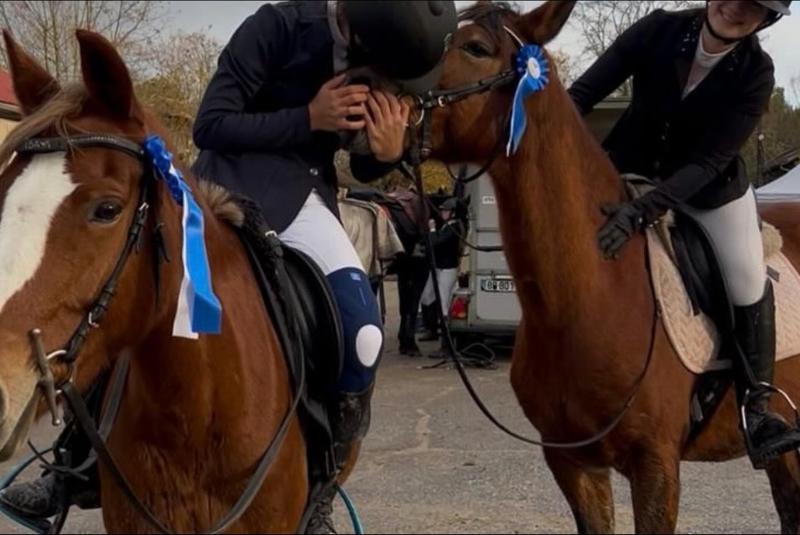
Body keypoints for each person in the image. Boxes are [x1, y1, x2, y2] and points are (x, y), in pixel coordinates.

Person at [0, 0, 457, 529]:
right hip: (221, 191)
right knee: (128, 296)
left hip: (305, 200)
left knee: (364, 334)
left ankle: (321, 487)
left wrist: (387, 150)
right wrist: (307, 117)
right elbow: (212, 124)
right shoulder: (276, 26)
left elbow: (360, 161)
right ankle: (71, 465)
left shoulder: (381, 54)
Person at [568, 0, 800, 468]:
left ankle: (757, 407)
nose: (737, 7)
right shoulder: (658, 29)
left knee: (747, 277)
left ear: (766, 21)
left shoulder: (757, 72)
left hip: (710, 194)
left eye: (755, 7)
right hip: (626, 171)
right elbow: (581, 95)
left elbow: (709, 163)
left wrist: (641, 213)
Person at [419, 197, 467, 357]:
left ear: (453, 213)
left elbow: (435, 242)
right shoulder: (447, 226)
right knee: (427, 297)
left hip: (448, 269)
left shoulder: (454, 228)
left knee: (443, 304)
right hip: (439, 268)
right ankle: (431, 329)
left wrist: (432, 229)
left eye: (446, 210)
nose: (442, 213)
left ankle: (446, 345)